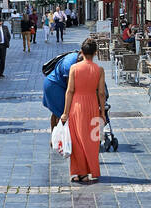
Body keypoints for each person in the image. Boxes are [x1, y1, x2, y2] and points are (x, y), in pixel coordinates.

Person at [61, 37, 108, 183]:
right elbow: (101, 93)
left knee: (77, 140)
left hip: (77, 106)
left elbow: (69, 91)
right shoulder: (99, 70)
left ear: (81, 52)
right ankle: (91, 171)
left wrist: (65, 112)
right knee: (92, 141)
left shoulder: (74, 68)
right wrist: (102, 112)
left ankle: (77, 172)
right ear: (95, 53)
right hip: (92, 106)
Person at [43, 48, 81, 128]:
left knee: (56, 112)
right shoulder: (69, 65)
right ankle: (60, 137)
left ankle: (54, 138)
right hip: (54, 86)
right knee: (62, 115)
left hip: (53, 82)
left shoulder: (76, 57)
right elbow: (70, 89)